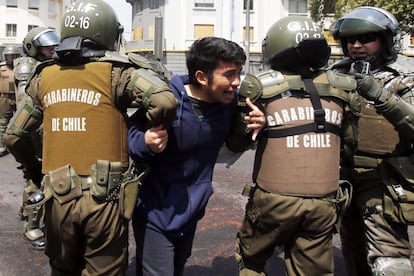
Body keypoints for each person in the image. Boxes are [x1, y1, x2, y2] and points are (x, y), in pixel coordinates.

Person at [5, 0, 177, 274]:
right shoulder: (118, 72)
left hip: (56, 194)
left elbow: (13, 136)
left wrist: (36, 172)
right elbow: (165, 102)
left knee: (62, 269)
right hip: (104, 197)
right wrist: (133, 128)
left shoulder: (43, 77)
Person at [128, 36, 265, 276]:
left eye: (239, 74)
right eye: (229, 74)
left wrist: (262, 123)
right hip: (155, 212)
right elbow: (128, 133)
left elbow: (243, 136)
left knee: (177, 268)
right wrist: (146, 141)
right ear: (202, 77)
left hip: (191, 212)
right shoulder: (166, 101)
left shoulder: (229, 104)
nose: (236, 83)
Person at [233, 15, 356, 276]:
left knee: (250, 260)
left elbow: (235, 142)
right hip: (324, 201)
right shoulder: (342, 87)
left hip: (273, 200)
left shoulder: (259, 86)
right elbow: (350, 142)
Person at [330, 6, 414, 275]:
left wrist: (380, 95)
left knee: (390, 261)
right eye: (350, 40)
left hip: (383, 180)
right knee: (352, 251)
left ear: (386, 40)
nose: (356, 46)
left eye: (366, 38)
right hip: (342, 179)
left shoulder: (404, 78)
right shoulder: (335, 74)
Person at [9, 27, 60, 251]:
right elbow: (25, 101)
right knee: (38, 178)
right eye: (47, 47)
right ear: (34, 47)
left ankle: (26, 210)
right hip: (34, 131)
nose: (52, 50)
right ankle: (32, 227)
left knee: (34, 175)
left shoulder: (44, 65)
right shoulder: (27, 66)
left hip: (41, 129)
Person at [0, 45, 21, 156]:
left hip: (18, 97)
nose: (11, 58)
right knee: (2, 122)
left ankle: (19, 146)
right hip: (4, 98)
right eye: (9, 56)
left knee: (20, 123)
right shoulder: (1, 68)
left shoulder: (21, 68)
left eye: (13, 56)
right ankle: (2, 146)